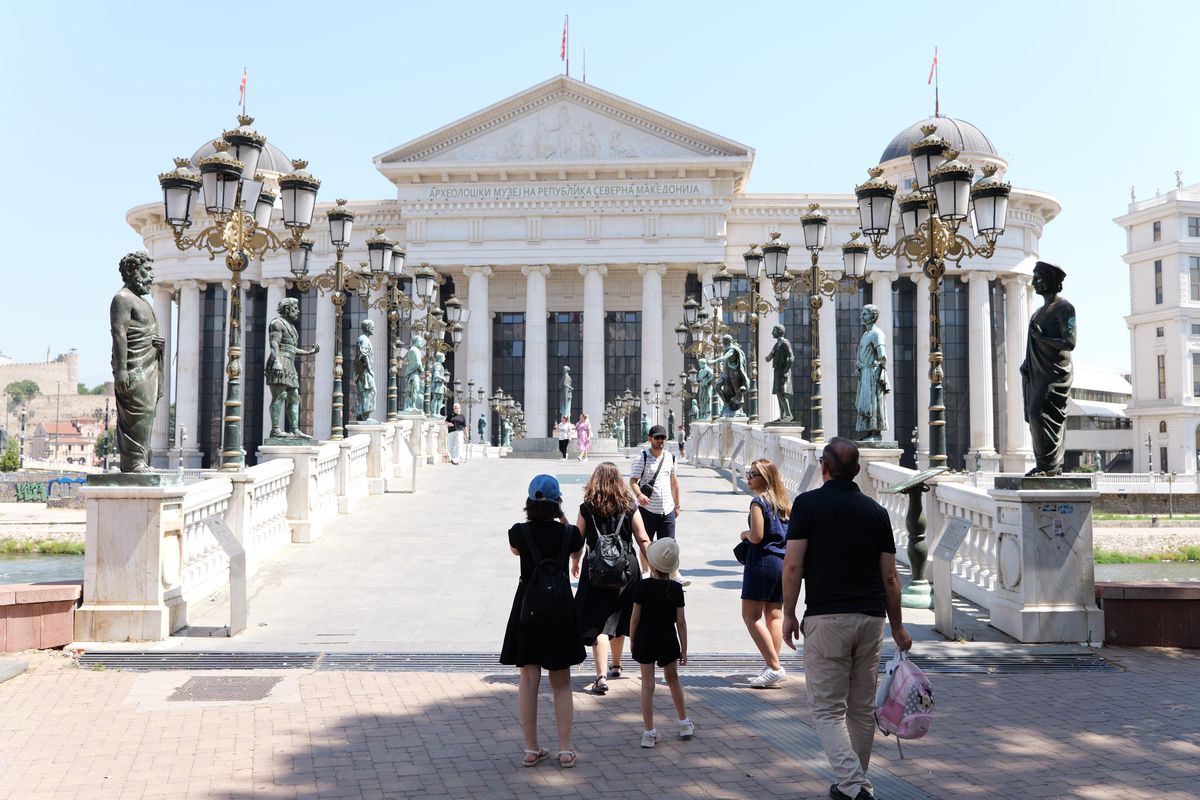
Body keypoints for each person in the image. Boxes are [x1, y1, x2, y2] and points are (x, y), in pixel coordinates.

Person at [782, 438, 912, 800]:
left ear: (823, 467)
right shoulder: (875, 512)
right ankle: (848, 784)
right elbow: (890, 577)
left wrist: (788, 612)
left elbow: (793, 564)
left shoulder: (807, 505)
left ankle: (855, 786)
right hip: (871, 619)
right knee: (858, 709)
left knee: (826, 709)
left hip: (826, 618)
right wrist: (898, 626)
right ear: (857, 471)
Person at [500, 475, 585, 768]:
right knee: (561, 682)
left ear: (529, 502)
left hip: (529, 608)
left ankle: (531, 748)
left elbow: (515, 551)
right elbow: (577, 547)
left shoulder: (519, 532)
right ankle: (564, 749)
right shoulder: (569, 533)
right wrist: (560, 515)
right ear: (558, 501)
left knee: (528, 679)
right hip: (560, 608)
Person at [571, 462, 651, 694]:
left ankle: (601, 677)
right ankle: (616, 665)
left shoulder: (587, 507)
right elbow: (642, 537)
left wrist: (575, 560)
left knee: (600, 623)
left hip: (596, 570)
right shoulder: (629, 505)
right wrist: (655, 565)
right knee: (619, 615)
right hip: (626, 569)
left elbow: (578, 540)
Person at [630, 538, 693, 747]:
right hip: (667, 638)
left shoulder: (642, 586)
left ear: (652, 563)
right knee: (673, 679)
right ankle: (684, 722)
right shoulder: (675, 589)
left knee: (647, 685)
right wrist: (684, 649)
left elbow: (635, 618)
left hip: (645, 638)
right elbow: (681, 622)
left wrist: (633, 640)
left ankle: (649, 732)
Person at [109, 251, 165, 473]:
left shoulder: (143, 302)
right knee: (138, 412)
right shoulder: (122, 298)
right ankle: (133, 463)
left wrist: (159, 345)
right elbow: (119, 334)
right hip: (133, 366)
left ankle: (141, 460)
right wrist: (122, 370)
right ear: (133, 271)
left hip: (150, 365)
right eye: (147, 271)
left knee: (148, 411)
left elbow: (145, 333)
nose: (151, 277)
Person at [1020, 261, 1076, 476]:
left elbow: (1069, 342)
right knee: (1033, 415)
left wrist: (1044, 338)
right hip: (1037, 371)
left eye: (1038, 277)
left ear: (1051, 281)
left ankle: (1050, 467)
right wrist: (1026, 365)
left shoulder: (1064, 308)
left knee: (1040, 412)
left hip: (1055, 373)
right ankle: (1044, 465)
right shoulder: (1037, 313)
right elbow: (1031, 345)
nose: (1034, 281)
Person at [739, 459, 790, 687]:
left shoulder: (758, 502)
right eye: (749, 474)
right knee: (774, 616)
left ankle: (775, 667)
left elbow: (757, 536)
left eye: (753, 475)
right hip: (781, 562)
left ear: (765, 478)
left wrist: (744, 534)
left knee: (750, 617)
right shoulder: (783, 504)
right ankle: (772, 664)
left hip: (761, 562)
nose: (749, 478)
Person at [630, 424, 687, 585]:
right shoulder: (642, 458)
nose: (660, 441)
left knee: (670, 543)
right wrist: (639, 495)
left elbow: (674, 482)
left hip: (667, 508)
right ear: (650, 439)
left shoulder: (670, 457)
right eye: (657, 438)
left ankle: (674, 574)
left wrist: (677, 505)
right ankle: (646, 571)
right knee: (646, 541)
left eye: (663, 438)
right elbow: (633, 481)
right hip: (647, 509)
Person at [266, 297, 319, 441]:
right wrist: (276, 361)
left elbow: (291, 348)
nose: (298, 311)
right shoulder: (277, 323)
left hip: (289, 363)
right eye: (295, 309)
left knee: (294, 398)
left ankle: (295, 430)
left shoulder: (292, 327)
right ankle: (275, 430)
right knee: (280, 396)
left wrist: (308, 353)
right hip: (279, 361)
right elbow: (274, 344)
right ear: (287, 309)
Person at [854, 305, 889, 441]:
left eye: (865, 314)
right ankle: (869, 432)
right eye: (862, 314)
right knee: (865, 403)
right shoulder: (866, 334)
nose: (862, 317)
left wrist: (877, 368)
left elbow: (882, 355)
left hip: (872, 372)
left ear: (873, 317)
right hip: (865, 372)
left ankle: (875, 433)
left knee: (873, 402)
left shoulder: (876, 333)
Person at [712, 334, 749, 416]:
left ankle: (738, 408)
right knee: (717, 386)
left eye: (723, 342)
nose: (722, 344)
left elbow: (724, 357)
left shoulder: (732, 349)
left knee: (736, 392)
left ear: (726, 341)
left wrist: (713, 362)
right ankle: (726, 403)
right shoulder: (729, 348)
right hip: (727, 373)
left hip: (734, 373)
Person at [765, 324, 795, 423]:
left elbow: (791, 357)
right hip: (777, 370)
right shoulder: (777, 344)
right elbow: (771, 355)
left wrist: (786, 371)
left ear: (779, 331)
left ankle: (789, 415)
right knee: (778, 393)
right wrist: (768, 357)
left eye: (774, 331)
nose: (772, 333)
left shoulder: (785, 342)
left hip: (783, 370)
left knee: (783, 393)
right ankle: (782, 416)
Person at [354, 319, 377, 422]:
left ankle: (362, 415)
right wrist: (369, 369)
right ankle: (364, 416)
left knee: (364, 392)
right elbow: (363, 355)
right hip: (364, 371)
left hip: (362, 371)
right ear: (367, 328)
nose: (374, 328)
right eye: (372, 327)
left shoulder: (363, 338)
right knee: (370, 391)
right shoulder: (364, 339)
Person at [403, 335, 424, 412]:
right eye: (419, 341)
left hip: (412, 372)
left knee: (412, 390)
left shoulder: (412, 350)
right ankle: (412, 406)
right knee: (414, 389)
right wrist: (421, 368)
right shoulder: (415, 350)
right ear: (415, 342)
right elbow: (418, 363)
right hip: (413, 373)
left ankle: (411, 406)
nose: (421, 343)